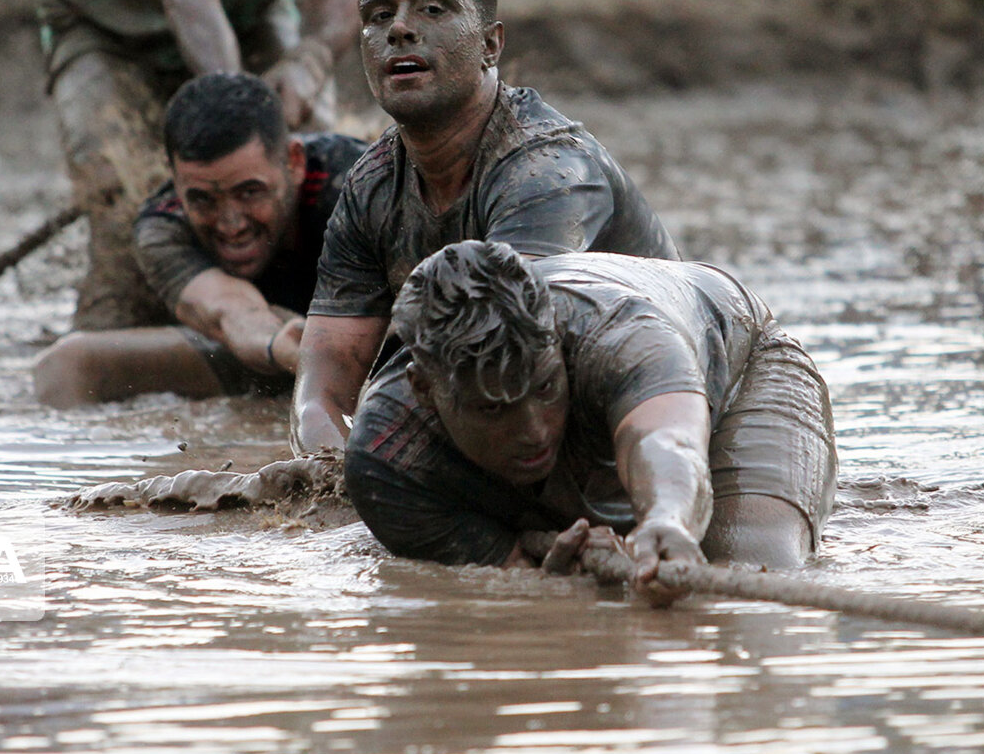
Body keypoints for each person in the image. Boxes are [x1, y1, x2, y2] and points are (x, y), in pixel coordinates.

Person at [289, 0, 680, 454]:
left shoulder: (547, 170)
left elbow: (502, 358)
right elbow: (320, 394)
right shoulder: (371, 186)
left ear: (490, 46)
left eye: (431, 9)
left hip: (660, 415)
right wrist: (334, 478)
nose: (400, 28)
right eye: (378, 14)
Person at [344, 241, 838, 603]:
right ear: (424, 390)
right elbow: (510, 582)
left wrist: (667, 517)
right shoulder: (387, 460)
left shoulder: (618, 339)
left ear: (556, 342)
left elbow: (667, 441)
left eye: (544, 389)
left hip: (740, 354)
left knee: (750, 584)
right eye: (494, 409)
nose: (535, 431)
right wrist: (559, 589)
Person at [34, 0, 380, 331]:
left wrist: (312, 58)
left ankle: (307, 323)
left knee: (309, 159)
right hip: (104, 20)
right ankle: (118, 329)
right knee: (119, 194)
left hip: (249, 10)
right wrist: (244, 112)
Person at [34, 73, 367, 408]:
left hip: (369, 351)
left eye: (249, 192)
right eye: (203, 200)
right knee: (67, 364)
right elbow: (227, 310)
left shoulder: (360, 185)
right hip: (268, 350)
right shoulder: (163, 227)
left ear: (294, 163)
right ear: (175, 180)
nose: (231, 225)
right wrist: (280, 344)